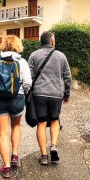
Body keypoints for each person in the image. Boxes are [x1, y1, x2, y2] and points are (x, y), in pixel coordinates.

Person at [0, 35, 32, 178]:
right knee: (16, 126)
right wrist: (23, 93)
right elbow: (28, 82)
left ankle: (7, 167)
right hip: (17, 98)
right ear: (18, 45)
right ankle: (14, 155)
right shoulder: (22, 62)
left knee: (3, 133)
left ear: (3, 45)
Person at [28, 31, 71, 165]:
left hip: (39, 94)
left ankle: (44, 156)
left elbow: (29, 77)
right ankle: (53, 146)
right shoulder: (61, 56)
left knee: (41, 123)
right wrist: (66, 93)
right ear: (52, 41)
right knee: (54, 120)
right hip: (55, 94)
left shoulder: (34, 55)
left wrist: (28, 94)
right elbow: (67, 77)